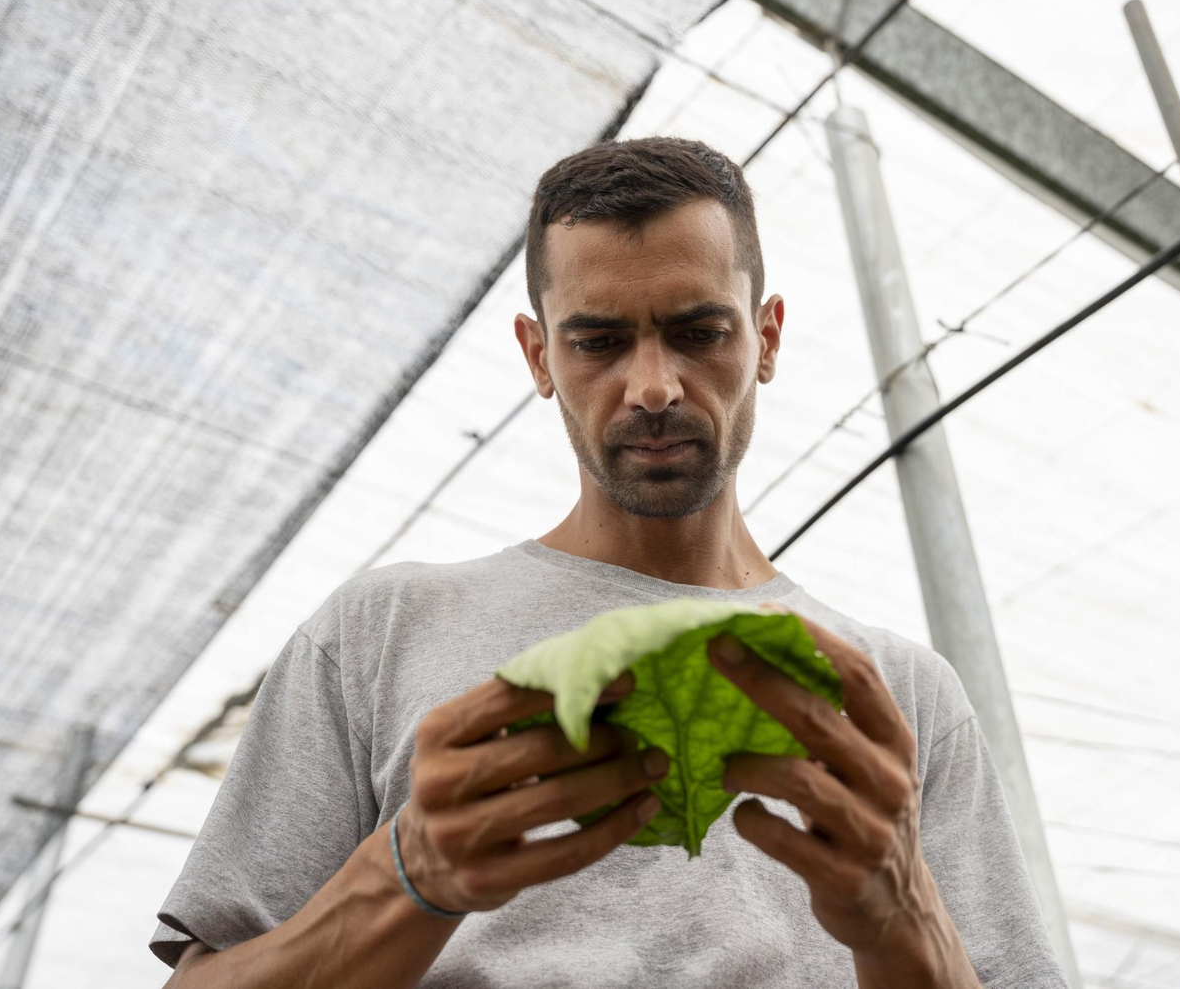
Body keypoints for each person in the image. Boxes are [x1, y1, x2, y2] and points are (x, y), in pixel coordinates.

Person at [150, 137, 1069, 988]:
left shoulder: (897, 695)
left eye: (701, 331)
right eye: (598, 341)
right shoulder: (382, 631)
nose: (655, 386)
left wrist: (904, 924)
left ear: (769, 337)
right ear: (538, 353)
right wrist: (407, 876)